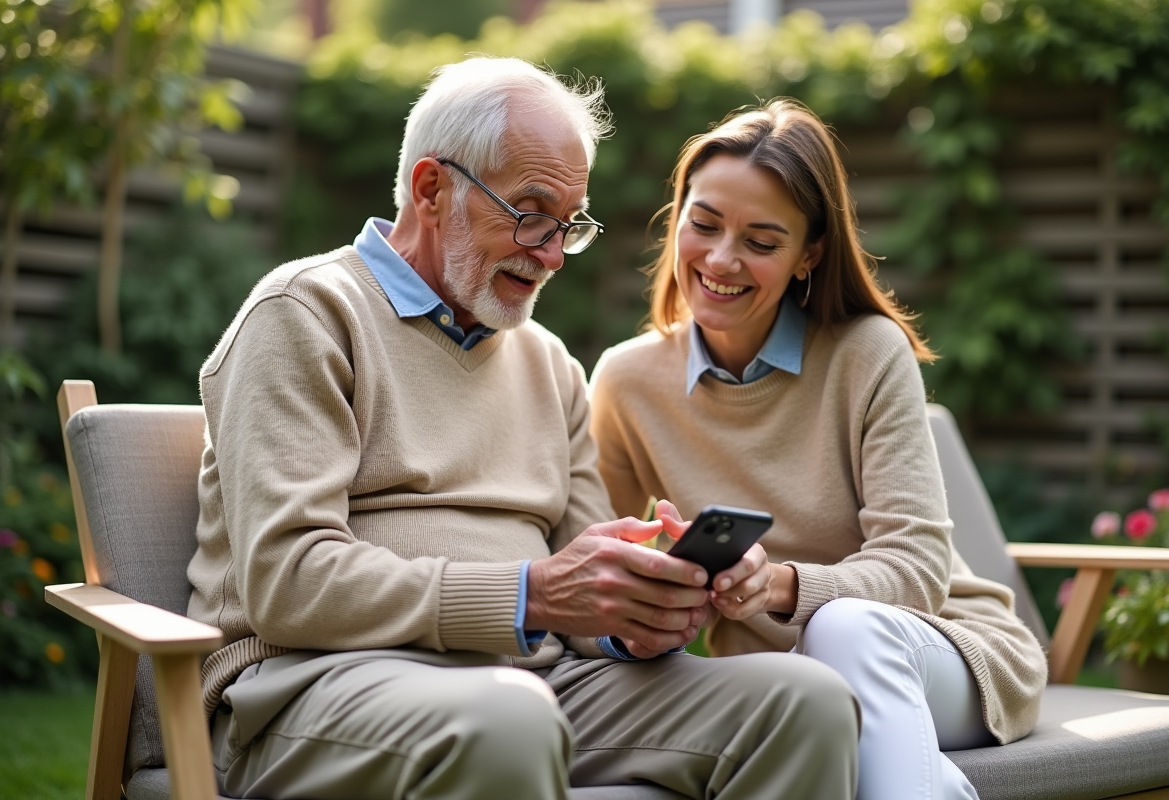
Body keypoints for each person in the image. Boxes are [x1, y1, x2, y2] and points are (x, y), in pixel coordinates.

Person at [185, 61, 860, 800]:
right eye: (530, 213)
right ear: (432, 189)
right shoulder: (305, 315)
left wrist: (640, 608)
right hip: (311, 685)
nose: (548, 255)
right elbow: (288, 582)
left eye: (568, 226)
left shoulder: (550, 366)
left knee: (804, 703)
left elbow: (581, 593)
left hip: (535, 684)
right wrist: (528, 596)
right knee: (510, 719)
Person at [588, 99, 1048, 800]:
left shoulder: (868, 354)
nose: (720, 259)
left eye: (761, 242)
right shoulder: (624, 381)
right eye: (703, 224)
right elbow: (609, 573)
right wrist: (663, 601)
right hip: (780, 688)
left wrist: (773, 586)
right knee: (835, 694)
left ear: (810, 254)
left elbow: (917, 570)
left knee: (846, 630)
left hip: (942, 651)